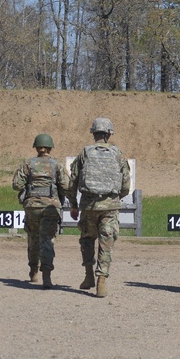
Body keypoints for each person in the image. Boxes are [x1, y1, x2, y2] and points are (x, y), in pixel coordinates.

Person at [68, 116, 131, 298]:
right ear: (109, 134)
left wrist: (73, 204)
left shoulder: (85, 153)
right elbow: (126, 182)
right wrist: (117, 197)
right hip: (109, 207)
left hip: (88, 205)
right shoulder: (117, 153)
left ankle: (88, 276)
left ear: (93, 133)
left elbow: (73, 180)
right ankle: (101, 281)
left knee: (87, 240)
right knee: (106, 243)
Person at [12, 133, 71, 289]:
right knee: (48, 240)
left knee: (33, 239)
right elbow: (66, 186)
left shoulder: (28, 164)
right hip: (50, 207)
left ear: (36, 147)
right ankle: (47, 275)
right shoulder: (57, 165)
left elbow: (17, 185)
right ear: (50, 148)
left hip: (32, 206)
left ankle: (33, 271)